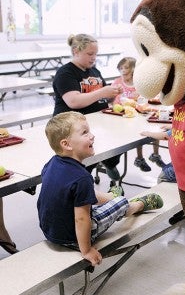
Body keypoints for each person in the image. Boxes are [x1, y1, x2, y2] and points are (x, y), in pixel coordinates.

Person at [37, 112, 164, 267]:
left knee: (84, 196)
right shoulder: (81, 177)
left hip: (51, 232)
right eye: (85, 133)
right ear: (67, 144)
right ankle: (135, 205)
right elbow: (82, 219)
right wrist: (86, 250)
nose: (92, 136)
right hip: (74, 238)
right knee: (121, 202)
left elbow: (72, 197)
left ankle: (110, 196)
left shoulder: (51, 164)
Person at [52, 33, 123, 187]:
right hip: (73, 128)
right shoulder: (66, 73)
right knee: (83, 160)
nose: (93, 58)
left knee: (120, 138)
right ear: (76, 51)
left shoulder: (94, 71)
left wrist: (112, 93)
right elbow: (74, 101)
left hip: (98, 123)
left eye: (96, 54)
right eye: (90, 54)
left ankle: (109, 162)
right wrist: (102, 92)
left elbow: (102, 96)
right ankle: (83, 182)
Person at [111, 57, 166, 172]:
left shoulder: (138, 83)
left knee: (155, 129)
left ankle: (155, 155)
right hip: (124, 116)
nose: (123, 70)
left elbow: (147, 98)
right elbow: (114, 101)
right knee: (139, 133)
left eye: (126, 67)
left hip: (140, 113)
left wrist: (141, 96)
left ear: (133, 70)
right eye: (120, 68)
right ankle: (139, 158)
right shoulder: (117, 83)